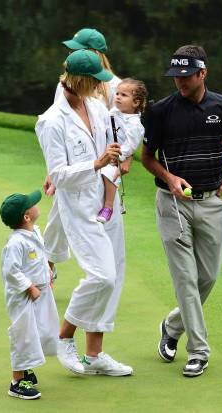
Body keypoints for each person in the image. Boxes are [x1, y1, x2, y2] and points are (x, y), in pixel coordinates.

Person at [142, 45, 222, 377]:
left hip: (213, 200)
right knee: (186, 278)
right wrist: (169, 178)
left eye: (186, 76)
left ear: (203, 73)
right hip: (173, 204)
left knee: (208, 277)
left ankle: (171, 326)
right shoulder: (160, 111)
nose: (180, 83)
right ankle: (198, 350)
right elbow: (147, 157)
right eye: (176, 77)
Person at [36, 49, 132, 376]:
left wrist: (118, 158)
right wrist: (97, 162)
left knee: (112, 277)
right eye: (97, 82)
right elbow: (59, 175)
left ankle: (95, 356)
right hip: (78, 207)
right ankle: (64, 337)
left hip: (106, 201)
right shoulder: (50, 122)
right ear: (82, 81)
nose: (104, 87)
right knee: (102, 275)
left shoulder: (95, 107)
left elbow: (113, 145)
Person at [0, 190, 60, 399]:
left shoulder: (34, 232)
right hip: (24, 296)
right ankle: (16, 381)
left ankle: (26, 369)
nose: (36, 204)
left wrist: (49, 273)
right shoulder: (16, 243)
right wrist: (29, 287)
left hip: (41, 291)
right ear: (26, 216)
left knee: (42, 330)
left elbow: (41, 257)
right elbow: (10, 271)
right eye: (32, 204)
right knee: (24, 335)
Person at [97, 78, 148, 223]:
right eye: (117, 93)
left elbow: (130, 145)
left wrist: (119, 157)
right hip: (103, 152)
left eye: (124, 95)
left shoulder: (135, 124)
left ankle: (108, 207)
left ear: (136, 102)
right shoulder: (113, 111)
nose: (118, 96)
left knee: (109, 174)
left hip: (114, 159)